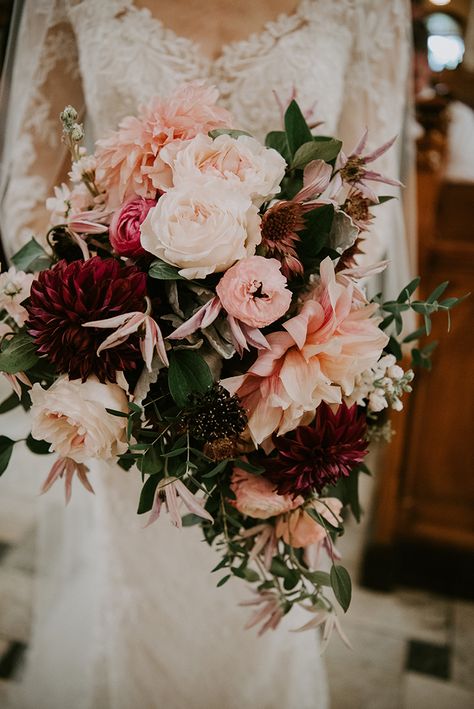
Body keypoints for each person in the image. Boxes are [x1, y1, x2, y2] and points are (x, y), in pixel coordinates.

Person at [0, 2, 413, 707]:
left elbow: (366, 205)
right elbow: (34, 192)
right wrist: (114, 325)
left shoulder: (368, 7)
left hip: (283, 392)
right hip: (131, 384)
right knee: (138, 601)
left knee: (253, 627)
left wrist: (294, 355)